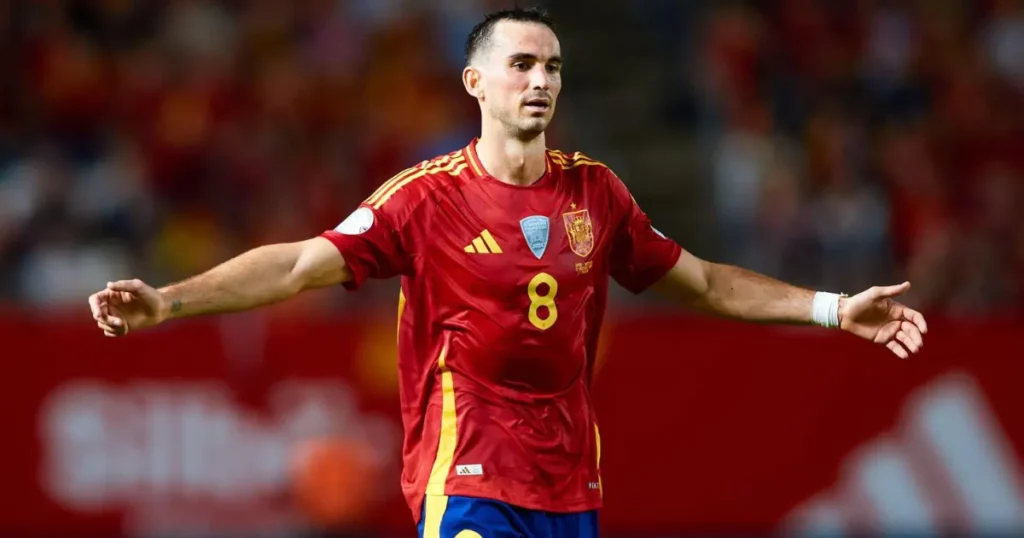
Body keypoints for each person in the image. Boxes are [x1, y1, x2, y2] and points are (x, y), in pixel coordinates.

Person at [87, 7, 929, 538]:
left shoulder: (596, 193)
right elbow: (302, 265)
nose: (541, 80)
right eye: (522, 64)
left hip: (570, 478)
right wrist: (169, 300)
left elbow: (706, 285)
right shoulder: (426, 198)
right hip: (465, 464)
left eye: (554, 66)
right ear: (475, 83)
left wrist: (829, 307)